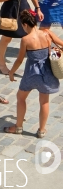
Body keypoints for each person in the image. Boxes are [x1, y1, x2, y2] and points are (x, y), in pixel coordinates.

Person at [4, 10, 60, 138]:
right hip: (47, 74)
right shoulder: (47, 33)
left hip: (31, 74)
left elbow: (19, 60)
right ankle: (41, 130)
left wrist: (11, 73)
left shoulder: (25, 39)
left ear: (24, 24)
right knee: (44, 102)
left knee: (21, 98)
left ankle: (18, 127)